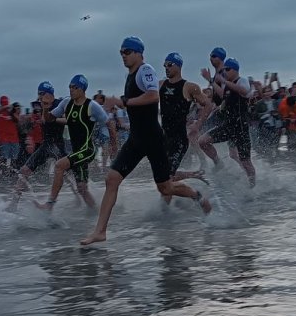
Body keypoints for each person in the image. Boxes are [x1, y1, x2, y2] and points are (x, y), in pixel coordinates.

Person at [81, 37, 211, 246]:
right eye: (121, 52)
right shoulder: (132, 76)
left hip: (154, 139)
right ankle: (100, 231)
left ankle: (198, 196)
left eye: (128, 51)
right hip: (136, 139)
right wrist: (114, 106)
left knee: (166, 187)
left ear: (139, 53)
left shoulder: (146, 70)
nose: (123, 55)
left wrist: (123, 102)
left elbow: (152, 97)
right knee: (112, 179)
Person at [36, 75, 108, 210]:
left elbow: (108, 122)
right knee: (82, 189)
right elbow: (49, 119)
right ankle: (95, 212)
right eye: (70, 87)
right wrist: (45, 107)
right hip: (76, 152)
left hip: (87, 150)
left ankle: (49, 204)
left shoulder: (92, 106)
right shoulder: (66, 103)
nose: (71, 90)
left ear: (82, 90)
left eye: (75, 87)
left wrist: (114, 144)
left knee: (59, 166)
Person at [197, 57, 257, 186]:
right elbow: (221, 93)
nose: (225, 72)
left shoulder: (242, 81)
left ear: (235, 70)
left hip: (241, 128)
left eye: (227, 70)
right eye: (224, 70)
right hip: (228, 126)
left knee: (245, 161)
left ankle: (253, 185)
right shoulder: (227, 86)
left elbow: (244, 91)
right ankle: (219, 163)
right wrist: (210, 80)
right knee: (202, 141)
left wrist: (223, 80)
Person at [9, 82, 68, 210]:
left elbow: (68, 119)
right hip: (45, 145)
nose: (40, 97)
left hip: (57, 144)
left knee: (69, 177)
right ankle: (13, 204)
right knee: (24, 170)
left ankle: (70, 199)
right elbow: (32, 123)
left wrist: (53, 119)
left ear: (50, 94)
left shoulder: (59, 104)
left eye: (42, 94)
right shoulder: (41, 106)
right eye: (39, 94)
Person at [159, 52, 213, 185]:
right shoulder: (160, 84)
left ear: (178, 66)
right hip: (164, 138)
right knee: (161, 178)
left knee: (167, 178)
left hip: (179, 140)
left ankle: (196, 195)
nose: (166, 67)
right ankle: (194, 175)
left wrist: (198, 124)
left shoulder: (189, 87)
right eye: (164, 65)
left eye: (169, 65)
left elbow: (208, 105)